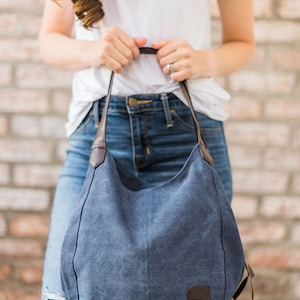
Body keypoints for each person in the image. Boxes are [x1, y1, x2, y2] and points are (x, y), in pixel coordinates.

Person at [38, 0, 255, 299]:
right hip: (99, 132)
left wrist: (202, 61)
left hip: (187, 135)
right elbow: (49, 39)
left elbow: (242, 41)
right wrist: (92, 50)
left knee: (196, 285)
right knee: (60, 291)